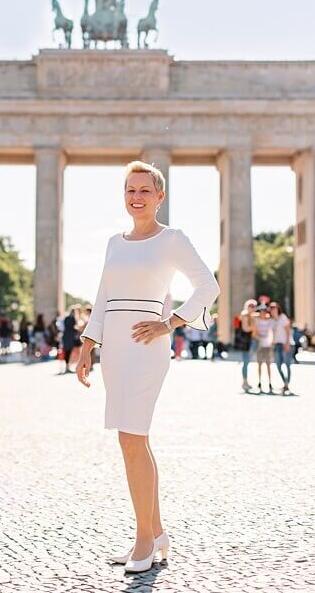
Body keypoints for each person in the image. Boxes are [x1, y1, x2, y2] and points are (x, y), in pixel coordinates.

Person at [75, 160, 218, 574]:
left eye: (144, 190)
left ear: (160, 196)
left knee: (133, 439)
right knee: (132, 441)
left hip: (146, 346)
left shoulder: (172, 239)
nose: (136, 196)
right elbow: (102, 296)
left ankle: (144, 538)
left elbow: (208, 286)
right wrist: (87, 345)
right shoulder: (114, 242)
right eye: (129, 190)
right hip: (114, 349)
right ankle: (155, 533)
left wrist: (169, 323)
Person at [253, 302, 276, 393]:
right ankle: (259, 381)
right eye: (261, 311)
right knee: (259, 364)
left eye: (264, 311)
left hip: (268, 345)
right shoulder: (256, 320)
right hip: (259, 344)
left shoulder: (269, 321)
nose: (262, 313)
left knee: (268, 364)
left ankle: (270, 382)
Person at [234, 299, 256, 392]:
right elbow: (245, 328)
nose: (252, 308)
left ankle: (245, 381)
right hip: (246, 341)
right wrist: (254, 328)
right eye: (251, 306)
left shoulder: (248, 315)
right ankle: (244, 382)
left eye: (253, 306)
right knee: (246, 362)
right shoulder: (245, 315)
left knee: (246, 362)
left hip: (247, 341)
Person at [270, 303, 292, 394]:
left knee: (287, 364)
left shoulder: (283, 318)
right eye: (271, 309)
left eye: (274, 308)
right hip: (277, 345)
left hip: (285, 344)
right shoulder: (272, 321)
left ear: (278, 309)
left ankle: (287, 384)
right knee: (278, 365)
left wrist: (287, 343)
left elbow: (288, 331)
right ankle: (284, 382)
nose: (273, 310)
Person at [61, 307, 80, 374]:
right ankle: (67, 367)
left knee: (66, 352)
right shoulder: (73, 319)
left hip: (65, 337)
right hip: (70, 338)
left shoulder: (66, 318)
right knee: (69, 352)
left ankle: (67, 367)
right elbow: (73, 328)